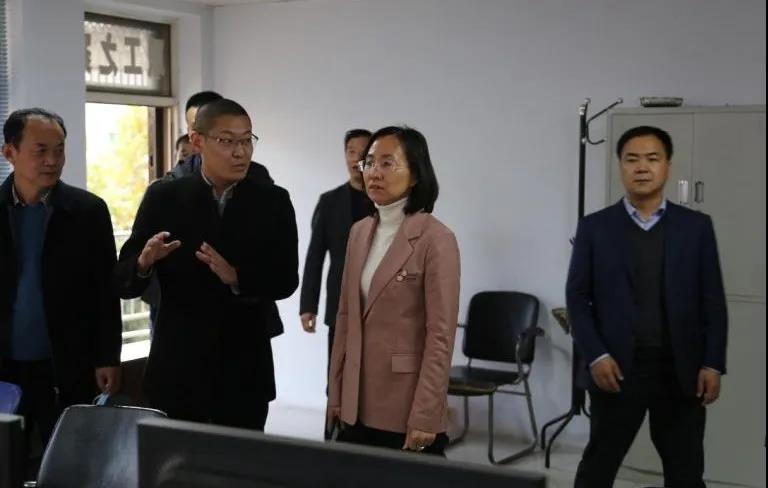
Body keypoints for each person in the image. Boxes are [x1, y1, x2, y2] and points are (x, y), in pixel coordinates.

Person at [115, 99, 298, 430]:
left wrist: (237, 277)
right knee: (175, 461)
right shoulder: (164, 197)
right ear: (197, 141)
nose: (240, 152)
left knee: (237, 460)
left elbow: (286, 279)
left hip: (243, 370)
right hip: (178, 368)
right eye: (227, 141)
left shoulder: (272, 201)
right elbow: (123, 280)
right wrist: (144, 262)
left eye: (247, 140)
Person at [567, 126, 728, 488]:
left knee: (685, 471)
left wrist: (712, 362)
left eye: (652, 158)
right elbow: (577, 298)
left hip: (681, 369)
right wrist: (596, 355)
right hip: (616, 369)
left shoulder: (696, 227)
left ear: (668, 165)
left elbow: (712, 301)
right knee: (598, 467)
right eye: (632, 159)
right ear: (620, 166)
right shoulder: (595, 227)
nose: (642, 167)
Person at [327, 126, 460, 455]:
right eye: (370, 162)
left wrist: (426, 414)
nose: (374, 172)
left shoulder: (436, 239)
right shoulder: (359, 232)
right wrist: (336, 392)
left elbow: (440, 336)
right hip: (355, 401)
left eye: (387, 163)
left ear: (414, 174)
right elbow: (345, 318)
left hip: (404, 401)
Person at [0, 108, 122, 448]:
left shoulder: (87, 211)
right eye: (40, 150)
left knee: (70, 457)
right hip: (5, 365)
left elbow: (104, 290)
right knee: (6, 460)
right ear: (9, 152)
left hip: (67, 362)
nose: (52, 160)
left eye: (59, 150)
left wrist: (108, 356)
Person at [299, 129, 372, 436]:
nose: (356, 159)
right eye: (351, 152)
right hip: (340, 304)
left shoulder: (387, 201)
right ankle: (334, 437)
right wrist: (308, 305)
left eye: (363, 153)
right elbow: (315, 256)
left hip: (379, 305)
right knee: (338, 374)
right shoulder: (330, 202)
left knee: (373, 379)